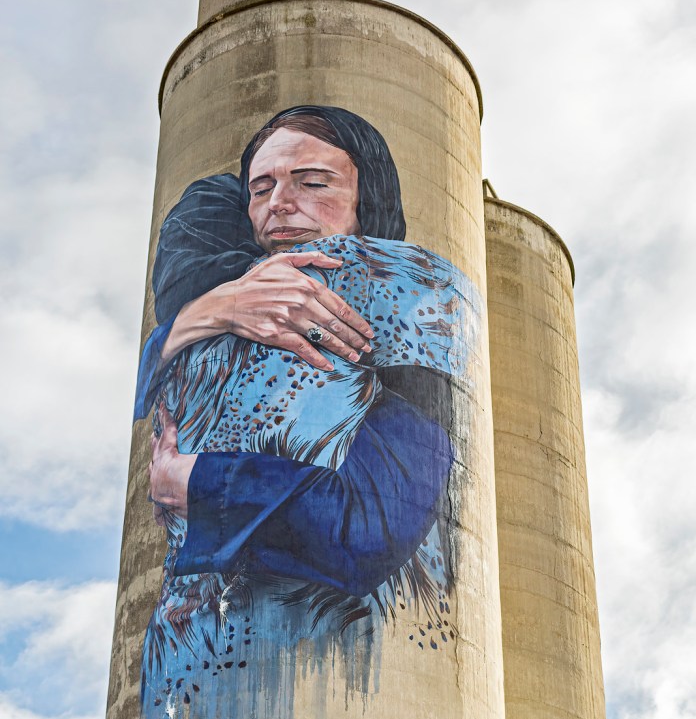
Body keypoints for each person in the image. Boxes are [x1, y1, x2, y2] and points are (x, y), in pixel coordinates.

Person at [136, 106, 478, 677]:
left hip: (343, 663)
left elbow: (365, 532)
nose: (280, 204)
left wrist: (194, 482)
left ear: (367, 198)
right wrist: (212, 310)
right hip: (186, 671)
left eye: (314, 183)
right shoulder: (238, 294)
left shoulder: (415, 300)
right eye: (261, 188)